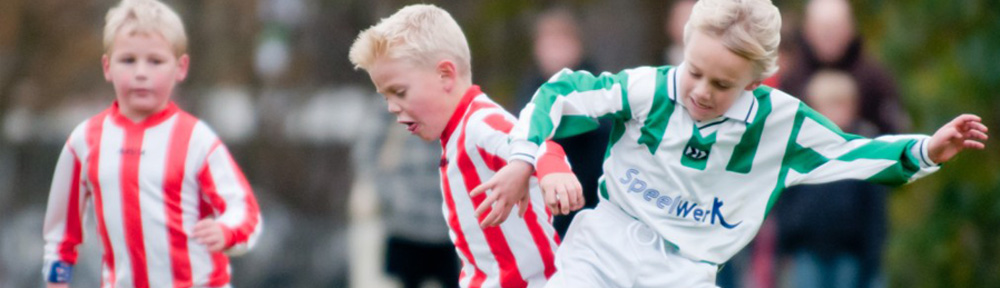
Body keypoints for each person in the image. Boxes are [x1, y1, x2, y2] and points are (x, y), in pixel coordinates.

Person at [475, 0, 989, 287]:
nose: (700, 91)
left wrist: (925, 150)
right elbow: (561, 93)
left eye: (721, 85)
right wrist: (528, 159)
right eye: (694, 71)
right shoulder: (651, 89)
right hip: (602, 249)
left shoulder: (780, 124)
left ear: (757, 79)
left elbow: (850, 153)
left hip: (685, 274)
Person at [348, 4, 584, 287]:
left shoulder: (480, 122)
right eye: (385, 96)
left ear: (445, 75)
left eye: (399, 92)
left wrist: (553, 172)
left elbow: (536, 142)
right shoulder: (454, 135)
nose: (391, 108)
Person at [41, 0, 263, 287]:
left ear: (180, 68)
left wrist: (226, 231)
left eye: (155, 61)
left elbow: (246, 211)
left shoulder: (196, 139)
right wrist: (57, 278)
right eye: (128, 60)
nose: (141, 73)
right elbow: (60, 233)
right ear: (107, 67)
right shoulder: (84, 141)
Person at [775, 70, 886, 288]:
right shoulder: (801, 149)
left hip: (850, 251)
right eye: (827, 106)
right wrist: (785, 244)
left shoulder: (864, 149)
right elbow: (785, 198)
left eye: (840, 105)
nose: (834, 113)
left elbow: (874, 209)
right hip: (806, 248)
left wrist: (872, 255)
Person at [514, 7, 607, 237]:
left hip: (588, 203)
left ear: (576, 45)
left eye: (561, 41)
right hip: (541, 206)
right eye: (548, 42)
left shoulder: (596, 87)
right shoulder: (530, 91)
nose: (553, 51)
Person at [781, 0, 908, 134]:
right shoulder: (791, 78)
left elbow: (895, 130)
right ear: (808, 29)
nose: (829, 35)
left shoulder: (876, 80)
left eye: (835, 27)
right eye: (823, 28)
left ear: (850, 27)